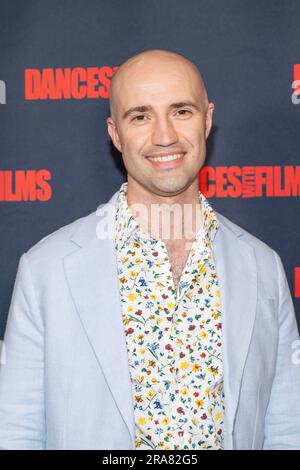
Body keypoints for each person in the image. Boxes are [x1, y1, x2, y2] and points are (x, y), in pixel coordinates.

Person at [0, 49, 299, 450]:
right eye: (140, 116)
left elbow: (286, 429)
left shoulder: (263, 267)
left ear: (207, 120)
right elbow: (16, 432)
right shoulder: (46, 270)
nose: (164, 136)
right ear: (115, 133)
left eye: (181, 111)